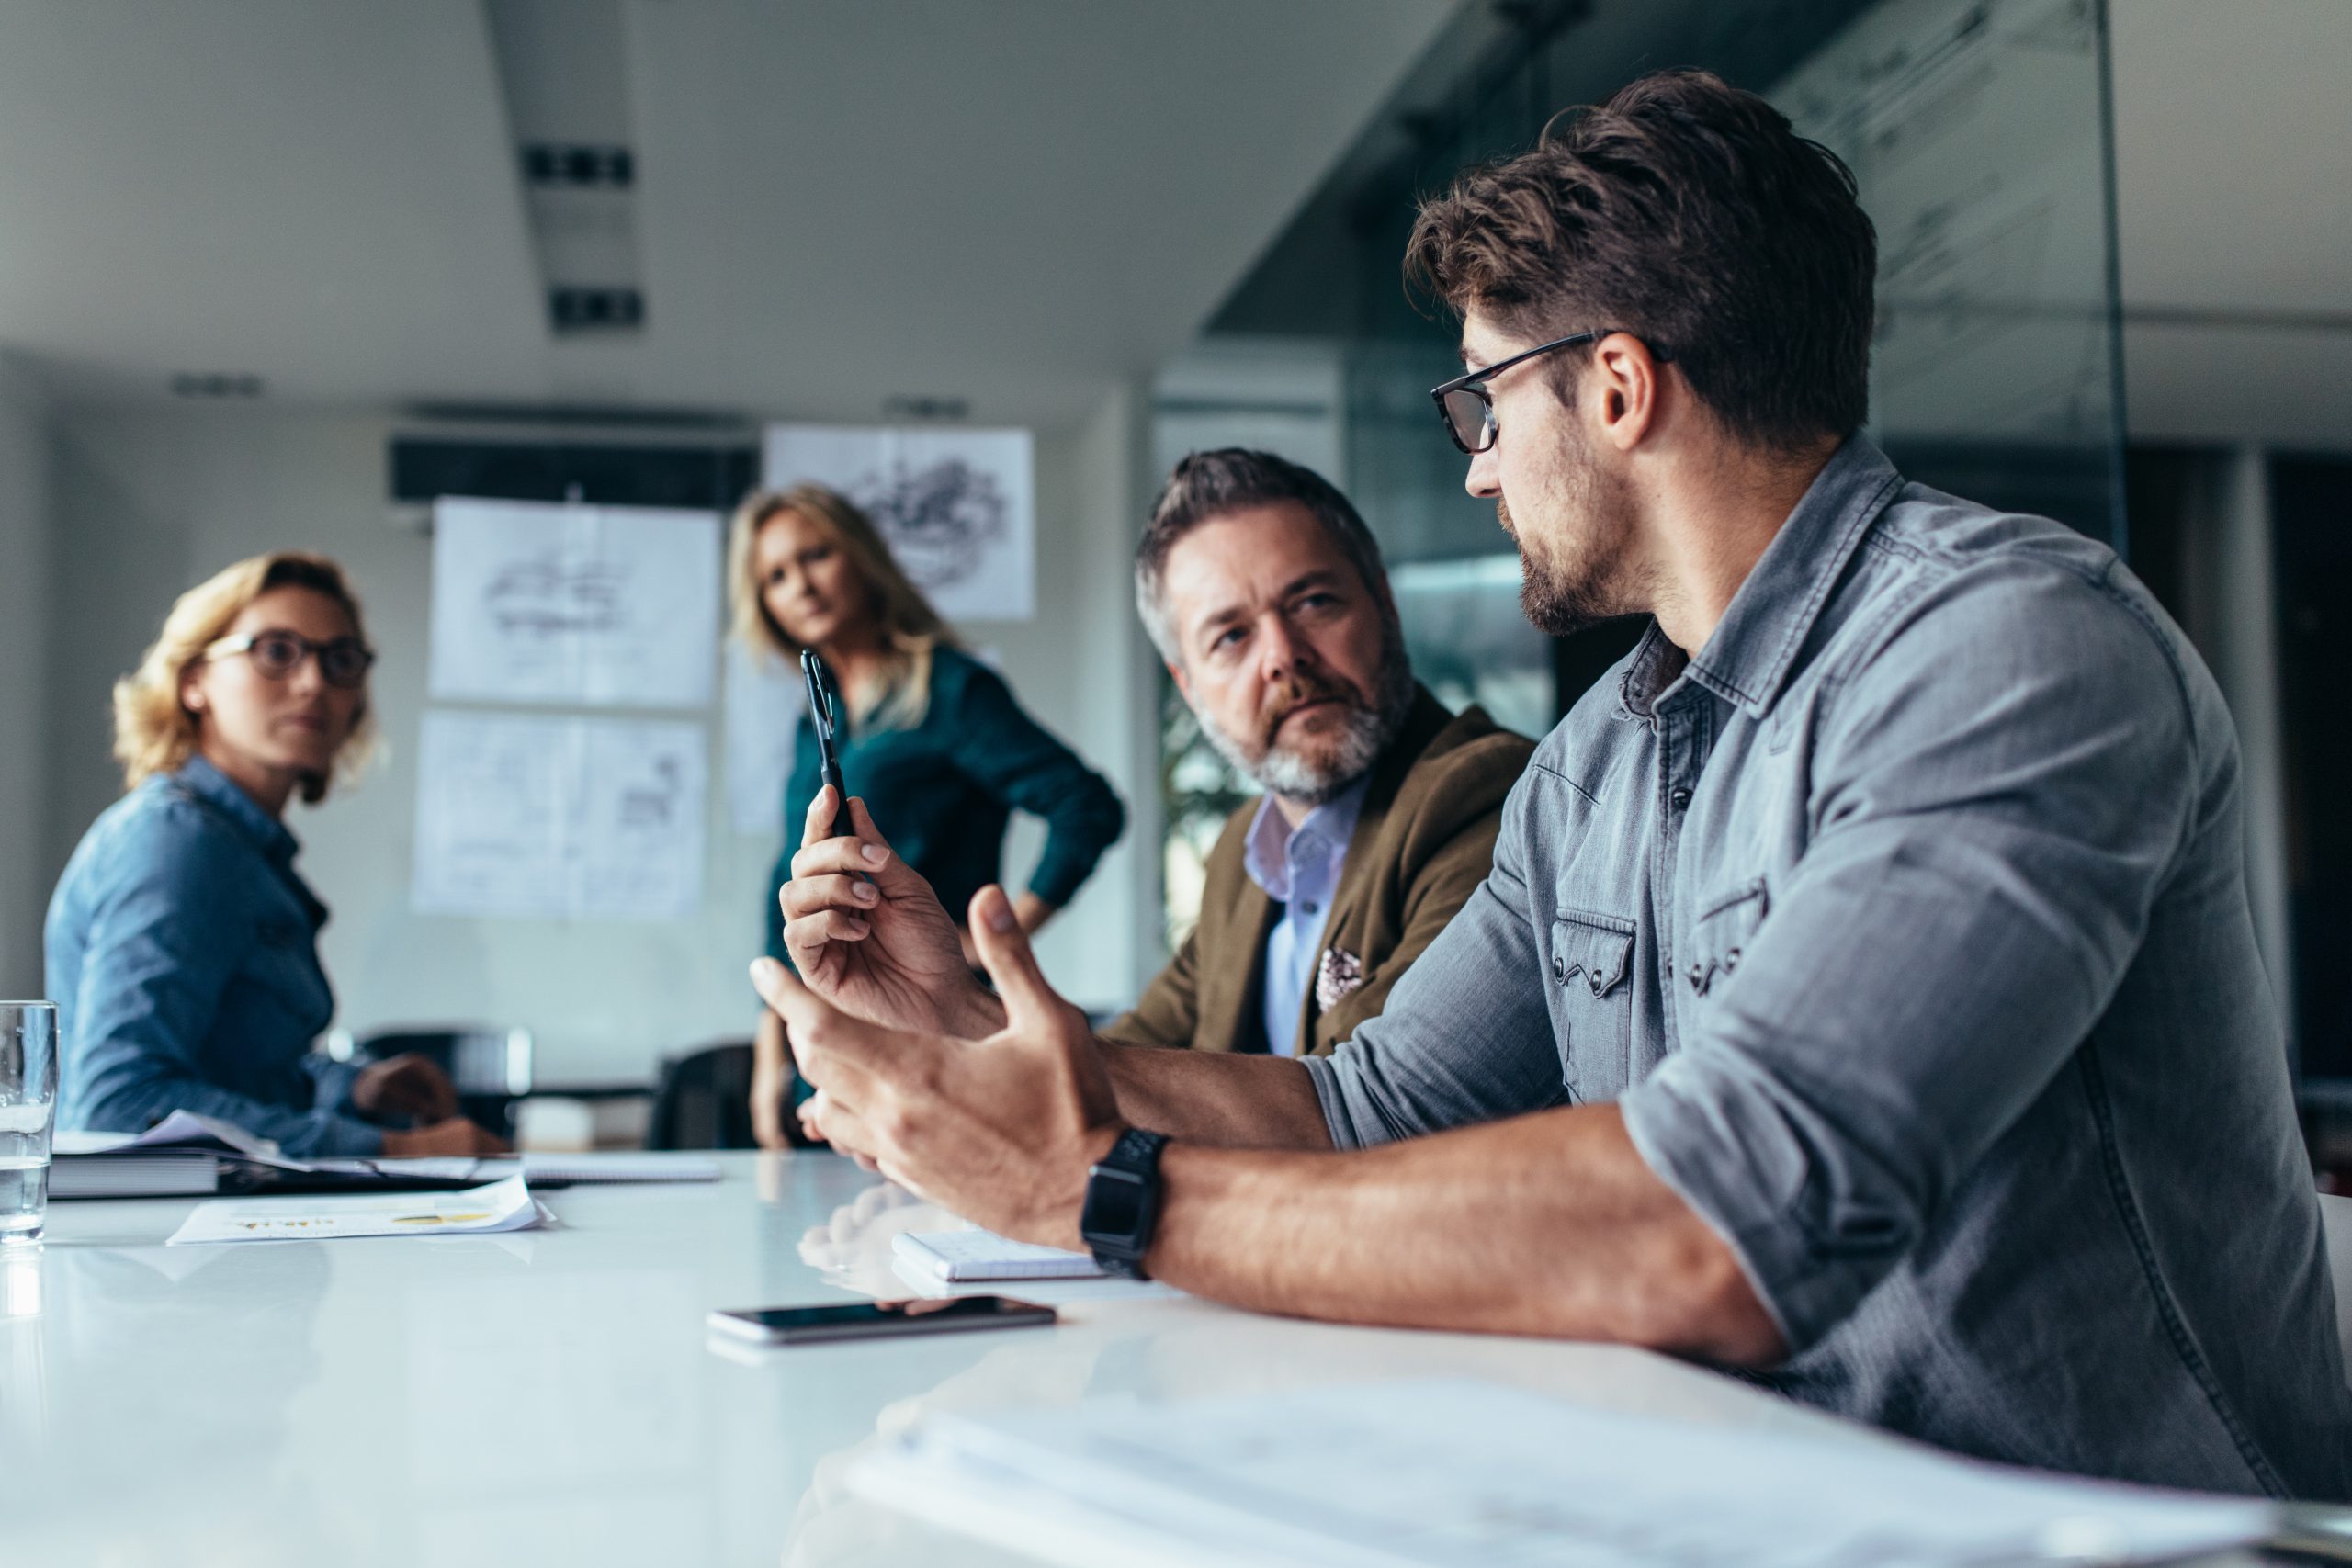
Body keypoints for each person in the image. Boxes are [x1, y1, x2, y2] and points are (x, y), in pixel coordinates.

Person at [753, 70, 2352, 1498]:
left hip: (2134, 1534)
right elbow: (1359, 1110)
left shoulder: (2007, 649)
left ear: (1614, 387)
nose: (1475, 462)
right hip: (1766, 1499)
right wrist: (967, 1021)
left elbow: (1724, 1217)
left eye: (1483, 398)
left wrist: (1107, 1193)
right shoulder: (1598, 760)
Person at [779, 449, 1531, 1098]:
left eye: (1313, 601)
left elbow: (1365, 1106)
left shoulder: (1488, 799)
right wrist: (928, 1018)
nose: (1282, 655)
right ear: (1188, 684)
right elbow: (1121, 1063)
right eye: (1230, 636)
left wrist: (958, 1011)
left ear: (1386, 609)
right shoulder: (1246, 852)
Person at [48, 552, 507, 1157]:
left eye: (340, 659)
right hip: (169, 1244)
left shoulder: (242, 849)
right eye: (275, 650)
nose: (314, 682)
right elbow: (120, 1105)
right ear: (194, 681)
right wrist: (392, 1148)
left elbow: (232, 1073)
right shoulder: (178, 841)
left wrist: (357, 1088)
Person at [730, 483, 1125, 1148]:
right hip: (821, 1044)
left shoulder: (951, 690)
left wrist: (996, 941)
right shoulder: (815, 721)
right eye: (775, 575)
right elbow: (790, 879)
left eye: (815, 554)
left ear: (860, 557)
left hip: (924, 1027)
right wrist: (771, 1045)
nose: (800, 584)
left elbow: (1086, 805)